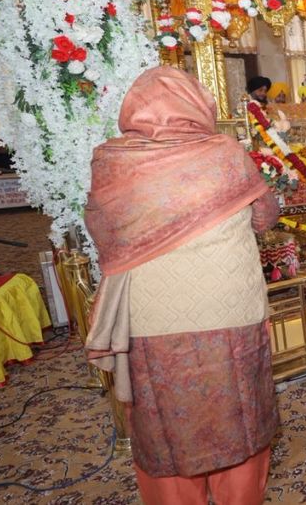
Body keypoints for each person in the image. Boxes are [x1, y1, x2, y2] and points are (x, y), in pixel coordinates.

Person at [83, 67, 279, 504]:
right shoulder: (224, 153)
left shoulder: (111, 161)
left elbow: (101, 232)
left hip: (152, 321)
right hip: (230, 312)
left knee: (166, 429)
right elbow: (266, 218)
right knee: (239, 420)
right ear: (197, 104)